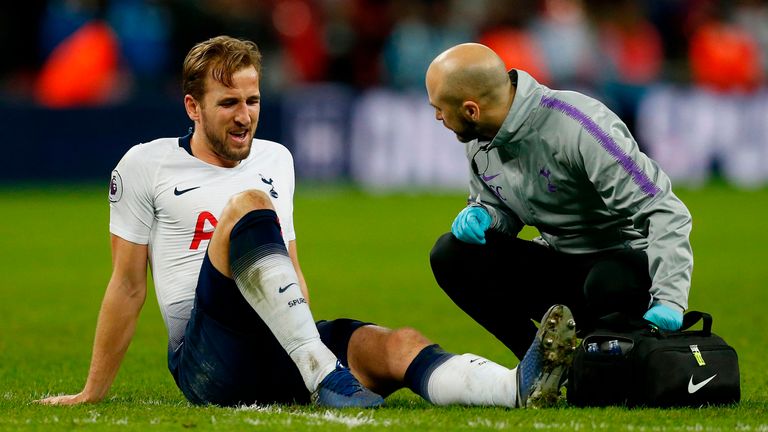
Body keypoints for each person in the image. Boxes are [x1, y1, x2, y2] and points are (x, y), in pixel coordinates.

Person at [37, 36, 577, 409]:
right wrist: (92, 391)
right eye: (228, 103)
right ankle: (324, 374)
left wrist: (309, 341)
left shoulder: (277, 159)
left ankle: (518, 387)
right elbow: (128, 286)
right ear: (192, 108)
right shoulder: (144, 164)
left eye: (252, 100)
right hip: (207, 358)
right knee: (249, 205)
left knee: (396, 344)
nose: (245, 115)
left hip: (285, 344)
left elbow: (290, 266)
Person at [425, 43, 693, 361]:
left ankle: (620, 348)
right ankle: (541, 362)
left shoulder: (580, 127)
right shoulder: (481, 138)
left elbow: (662, 207)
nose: (438, 116)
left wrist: (670, 300)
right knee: (451, 254)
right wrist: (485, 215)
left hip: (623, 268)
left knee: (607, 282)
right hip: (561, 264)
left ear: (471, 110)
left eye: (439, 107)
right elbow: (500, 205)